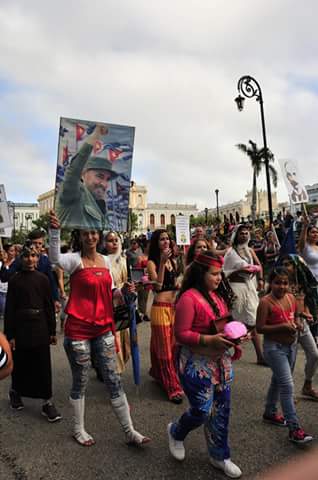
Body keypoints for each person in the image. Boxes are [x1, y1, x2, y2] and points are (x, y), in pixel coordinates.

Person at [49, 211, 149, 447]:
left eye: (94, 233)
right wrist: (54, 231)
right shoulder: (74, 260)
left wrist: (124, 293)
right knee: (81, 379)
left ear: (99, 236)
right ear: (81, 237)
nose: (91, 237)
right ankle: (78, 429)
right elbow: (54, 259)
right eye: (87, 233)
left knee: (113, 378)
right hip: (79, 329)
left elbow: (112, 293)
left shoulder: (106, 261)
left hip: (104, 327)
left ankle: (130, 431)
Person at [167, 252, 242, 478]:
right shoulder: (188, 298)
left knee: (221, 411)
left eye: (220, 274)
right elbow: (181, 334)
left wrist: (236, 336)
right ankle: (176, 432)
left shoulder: (217, 296)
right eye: (215, 274)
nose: (219, 278)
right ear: (201, 274)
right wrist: (209, 340)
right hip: (196, 364)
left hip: (221, 363)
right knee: (201, 411)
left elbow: (222, 325)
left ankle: (220, 455)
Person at [4, 242, 61, 421]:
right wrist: (10, 335)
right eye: (27, 256)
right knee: (20, 363)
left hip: (40, 327)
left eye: (34, 256)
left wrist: (52, 330)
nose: (30, 259)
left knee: (42, 365)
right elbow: (10, 309)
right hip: (21, 327)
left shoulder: (43, 279)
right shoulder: (14, 280)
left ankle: (47, 402)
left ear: (38, 258)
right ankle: (15, 392)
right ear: (21, 258)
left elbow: (48, 306)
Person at [256, 267, 313, 444]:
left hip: (291, 347)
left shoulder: (290, 297)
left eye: (285, 283)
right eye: (277, 282)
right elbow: (259, 328)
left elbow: (294, 316)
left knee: (278, 380)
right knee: (287, 385)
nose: (282, 286)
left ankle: (270, 412)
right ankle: (294, 428)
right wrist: (282, 327)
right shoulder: (265, 302)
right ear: (270, 283)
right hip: (274, 349)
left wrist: (299, 321)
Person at [55, 124, 117, 230]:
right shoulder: (74, 192)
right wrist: (96, 133)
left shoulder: (100, 206)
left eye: (107, 179)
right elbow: (75, 167)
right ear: (82, 174)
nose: (104, 184)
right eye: (99, 176)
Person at [147, 229, 184, 403]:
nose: (166, 242)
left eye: (168, 239)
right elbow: (158, 286)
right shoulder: (152, 262)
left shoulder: (173, 261)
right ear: (156, 243)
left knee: (172, 345)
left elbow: (174, 283)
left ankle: (158, 373)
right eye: (162, 239)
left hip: (173, 307)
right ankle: (172, 387)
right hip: (160, 309)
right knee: (165, 350)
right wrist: (161, 263)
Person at [223, 224, 265, 364]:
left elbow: (259, 266)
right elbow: (224, 273)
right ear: (236, 235)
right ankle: (228, 353)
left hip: (250, 289)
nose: (245, 235)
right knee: (235, 322)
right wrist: (238, 271)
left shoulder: (250, 251)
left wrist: (260, 280)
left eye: (247, 233)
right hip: (236, 289)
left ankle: (260, 356)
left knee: (253, 321)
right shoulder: (230, 252)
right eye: (242, 233)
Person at [280, 255, 318, 399]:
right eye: (284, 263)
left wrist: (307, 312)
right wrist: (299, 314)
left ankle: (307, 385)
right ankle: (286, 394)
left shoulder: (303, 283)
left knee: (314, 355)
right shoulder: (281, 283)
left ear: (296, 266)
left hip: (303, 325)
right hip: (289, 326)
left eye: (289, 264)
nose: (286, 266)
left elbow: (307, 300)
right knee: (290, 361)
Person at [103, 231, 130, 373]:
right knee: (115, 338)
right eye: (110, 240)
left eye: (116, 240)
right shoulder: (102, 261)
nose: (114, 243)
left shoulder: (124, 260)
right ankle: (114, 372)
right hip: (109, 303)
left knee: (126, 341)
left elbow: (128, 280)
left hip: (124, 303)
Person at [298, 218, 318, 342]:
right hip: (311, 284)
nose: (315, 234)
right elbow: (300, 244)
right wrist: (305, 227)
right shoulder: (304, 247)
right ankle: (313, 336)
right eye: (313, 232)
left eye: (317, 232)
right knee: (314, 310)